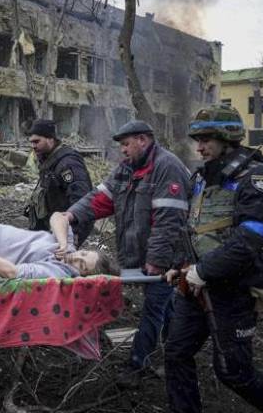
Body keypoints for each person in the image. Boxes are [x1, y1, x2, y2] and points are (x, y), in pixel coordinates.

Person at [163, 105, 263, 413]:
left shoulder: (257, 178)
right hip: (196, 285)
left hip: (234, 289)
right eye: (198, 139)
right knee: (176, 353)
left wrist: (203, 270)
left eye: (207, 139)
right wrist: (180, 265)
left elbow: (252, 238)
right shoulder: (202, 178)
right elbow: (194, 228)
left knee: (233, 372)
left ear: (228, 138)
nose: (200, 147)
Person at [51, 120, 191, 388]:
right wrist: (71, 214)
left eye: (126, 144)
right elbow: (100, 198)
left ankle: (137, 364)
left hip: (168, 256)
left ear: (143, 140)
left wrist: (156, 262)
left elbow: (168, 221)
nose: (123, 151)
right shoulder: (127, 169)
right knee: (165, 305)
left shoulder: (167, 167)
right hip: (140, 254)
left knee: (153, 308)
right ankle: (176, 349)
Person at [23, 119, 93, 246]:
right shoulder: (48, 161)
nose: (33, 146)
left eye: (37, 141)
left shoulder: (68, 163)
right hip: (50, 231)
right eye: (31, 142)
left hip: (64, 231)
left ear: (50, 139)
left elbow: (81, 201)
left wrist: (71, 237)